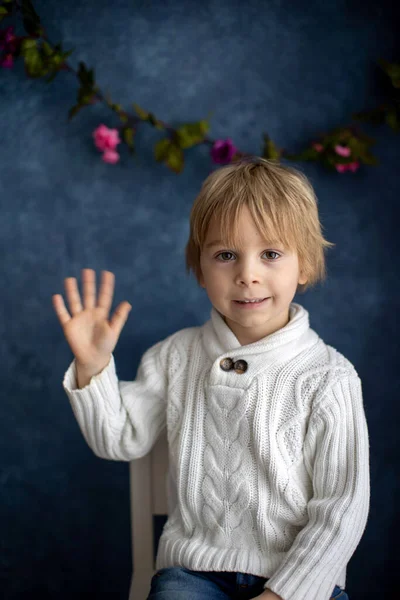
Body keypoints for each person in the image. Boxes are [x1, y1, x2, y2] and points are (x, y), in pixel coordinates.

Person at [52, 157, 370, 600]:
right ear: (201, 270)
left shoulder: (329, 377)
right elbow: (118, 439)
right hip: (193, 575)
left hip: (299, 580)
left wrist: (283, 594)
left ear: (305, 266)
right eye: (225, 255)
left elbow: (342, 508)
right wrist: (93, 366)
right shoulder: (174, 357)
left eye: (271, 254)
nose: (247, 274)